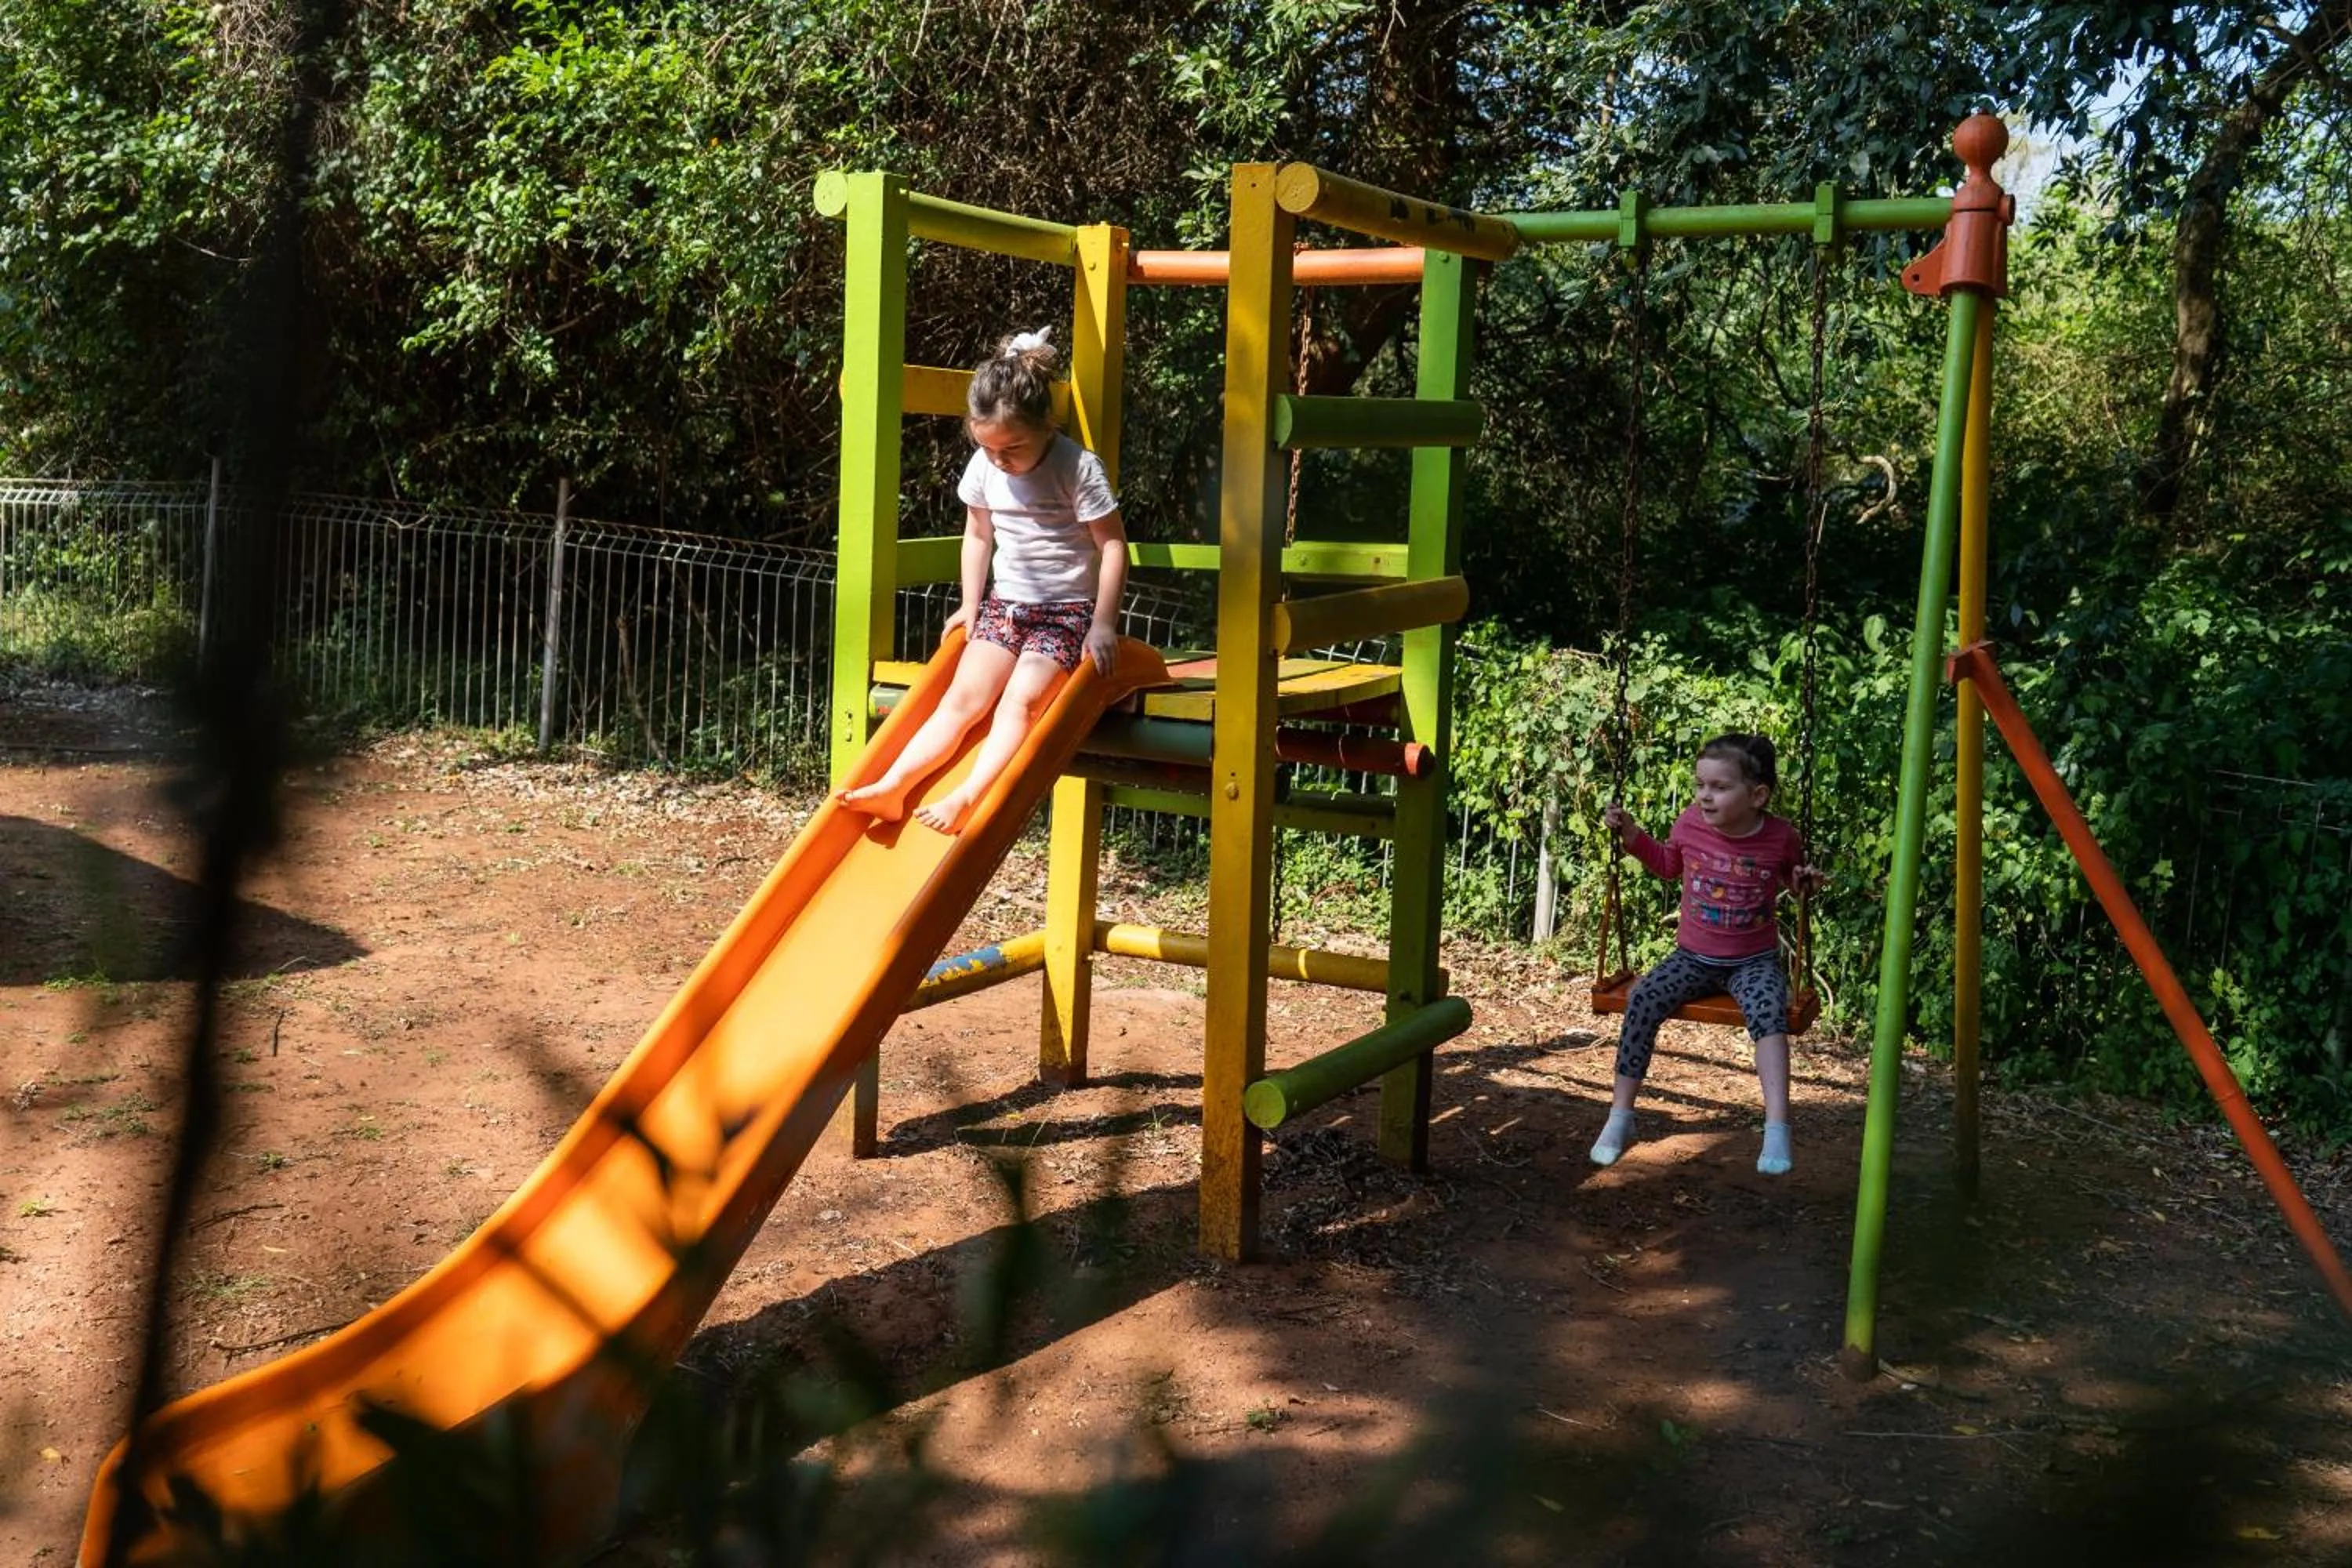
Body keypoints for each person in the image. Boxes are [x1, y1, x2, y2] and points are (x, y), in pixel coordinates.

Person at [838, 327, 1127, 833]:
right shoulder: (984, 466)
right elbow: (977, 535)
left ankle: (970, 796)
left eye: (1011, 447)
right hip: (1006, 605)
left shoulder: (1077, 468)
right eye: (988, 447)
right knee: (962, 699)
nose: (1000, 459)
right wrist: (971, 605)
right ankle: (895, 786)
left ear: (1046, 424)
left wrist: (1103, 624)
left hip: (1066, 614)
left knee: (1021, 701)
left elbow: (1113, 546)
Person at [1593, 733, 1823, 1175]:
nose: (1705, 796)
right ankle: (1619, 1116)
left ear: (1757, 795)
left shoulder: (1780, 837)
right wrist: (1631, 835)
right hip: (1692, 958)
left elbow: (1792, 884)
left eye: (1719, 787)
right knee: (1642, 1000)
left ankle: (1777, 1127)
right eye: (1701, 785)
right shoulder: (1689, 825)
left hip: (1753, 961)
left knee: (1769, 1015)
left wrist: (1805, 884)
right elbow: (1666, 865)